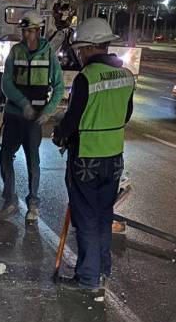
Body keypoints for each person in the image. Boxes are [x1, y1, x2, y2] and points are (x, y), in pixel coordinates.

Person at [51, 18, 135, 291]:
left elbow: (73, 118)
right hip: (114, 158)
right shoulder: (126, 76)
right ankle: (101, 269)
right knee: (103, 214)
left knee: (85, 217)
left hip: (86, 157)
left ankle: (87, 278)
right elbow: (126, 114)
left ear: (87, 48)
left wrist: (60, 134)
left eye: (80, 49)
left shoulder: (86, 78)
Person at [0, 14, 65, 225]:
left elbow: (59, 86)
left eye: (30, 31)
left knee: (33, 160)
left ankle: (33, 203)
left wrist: (48, 111)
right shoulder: (16, 51)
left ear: (38, 31)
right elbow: (6, 83)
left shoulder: (48, 55)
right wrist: (23, 103)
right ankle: (10, 199)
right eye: (24, 31)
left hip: (34, 120)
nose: (26, 35)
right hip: (14, 115)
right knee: (5, 155)